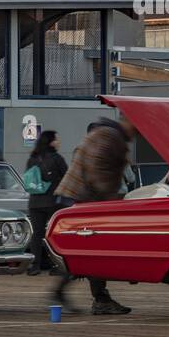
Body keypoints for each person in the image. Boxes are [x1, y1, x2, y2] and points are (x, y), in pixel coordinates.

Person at [51, 117, 136, 315]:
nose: (136, 134)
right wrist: (110, 202)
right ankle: (98, 298)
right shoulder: (107, 136)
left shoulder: (111, 135)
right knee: (92, 250)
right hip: (87, 200)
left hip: (88, 199)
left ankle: (98, 297)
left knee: (89, 250)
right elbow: (96, 171)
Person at [23, 130, 68, 276]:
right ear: (51, 142)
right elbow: (66, 178)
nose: (59, 142)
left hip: (35, 202)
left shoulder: (33, 158)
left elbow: (29, 179)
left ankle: (35, 266)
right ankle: (56, 265)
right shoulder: (57, 158)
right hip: (53, 202)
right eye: (57, 139)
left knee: (37, 234)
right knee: (53, 234)